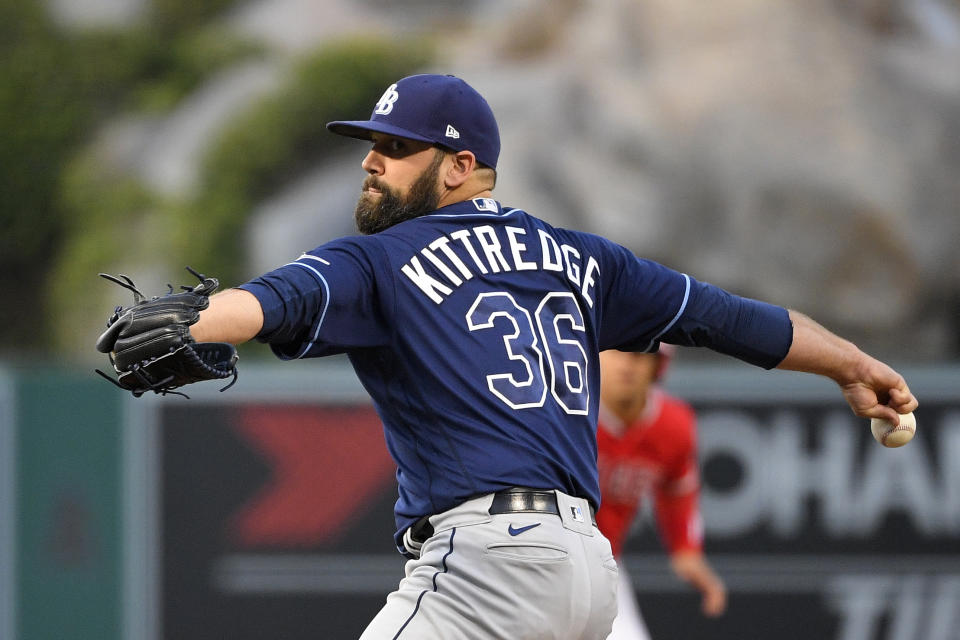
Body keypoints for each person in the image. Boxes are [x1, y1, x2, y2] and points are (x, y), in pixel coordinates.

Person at [179, 74, 917, 639]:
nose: (373, 162)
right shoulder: (581, 259)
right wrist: (852, 364)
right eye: (373, 145)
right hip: (586, 576)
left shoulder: (383, 260)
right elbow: (732, 320)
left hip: (487, 565)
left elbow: (276, 301)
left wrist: (189, 326)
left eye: (398, 147)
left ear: (460, 165)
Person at [597, 346, 725, 640]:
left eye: (641, 352)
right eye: (616, 349)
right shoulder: (563, 409)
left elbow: (677, 487)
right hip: (535, 551)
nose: (628, 363)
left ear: (659, 365)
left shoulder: (673, 424)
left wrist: (685, 547)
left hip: (603, 563)